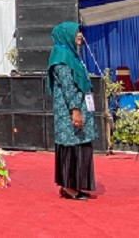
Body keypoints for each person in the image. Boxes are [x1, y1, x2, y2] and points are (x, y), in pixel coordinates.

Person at [47, 22, 97, 201]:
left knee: (79, 146)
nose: (80, 36)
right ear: (66, 34)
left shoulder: (71, 55)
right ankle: (68, 186)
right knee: (70, 147)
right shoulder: (61, 58)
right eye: (77, 32)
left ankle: (74, 184)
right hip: (69, 112)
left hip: (78, 109)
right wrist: (75, 110)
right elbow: (68, 87)